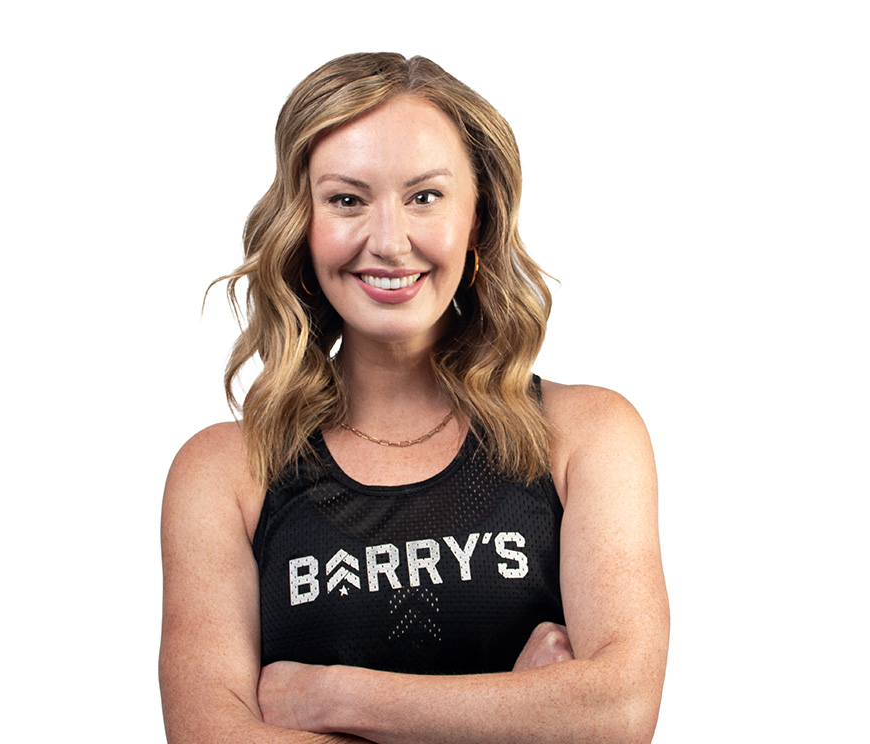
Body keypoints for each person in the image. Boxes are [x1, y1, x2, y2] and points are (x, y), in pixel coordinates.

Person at [159, 52, 669, 744]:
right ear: (300, 224)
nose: (389, 241)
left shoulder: (586, 435)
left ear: (477, 220)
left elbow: (619, 714)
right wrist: (525, 712)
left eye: (424, 196)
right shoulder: (226, 471)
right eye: (346, 199)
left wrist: (331, 695)